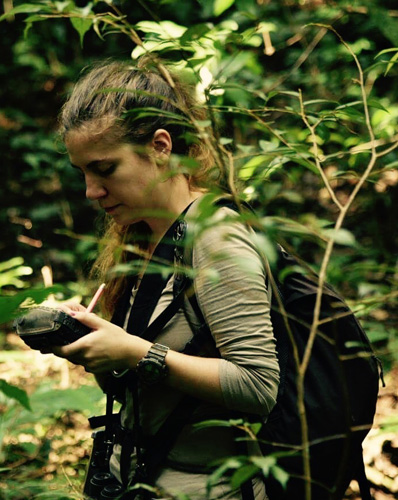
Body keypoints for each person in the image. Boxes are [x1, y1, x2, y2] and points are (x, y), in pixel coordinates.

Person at [50, 58, 279, 500]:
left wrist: (135, 351)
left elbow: (258, 385)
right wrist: (96, 345)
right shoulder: (143, 237)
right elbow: (142, 391)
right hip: (138, 479)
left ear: (160, 147)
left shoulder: (217, 238)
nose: (90, 191)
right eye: (82, 173)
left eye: (105, 169)